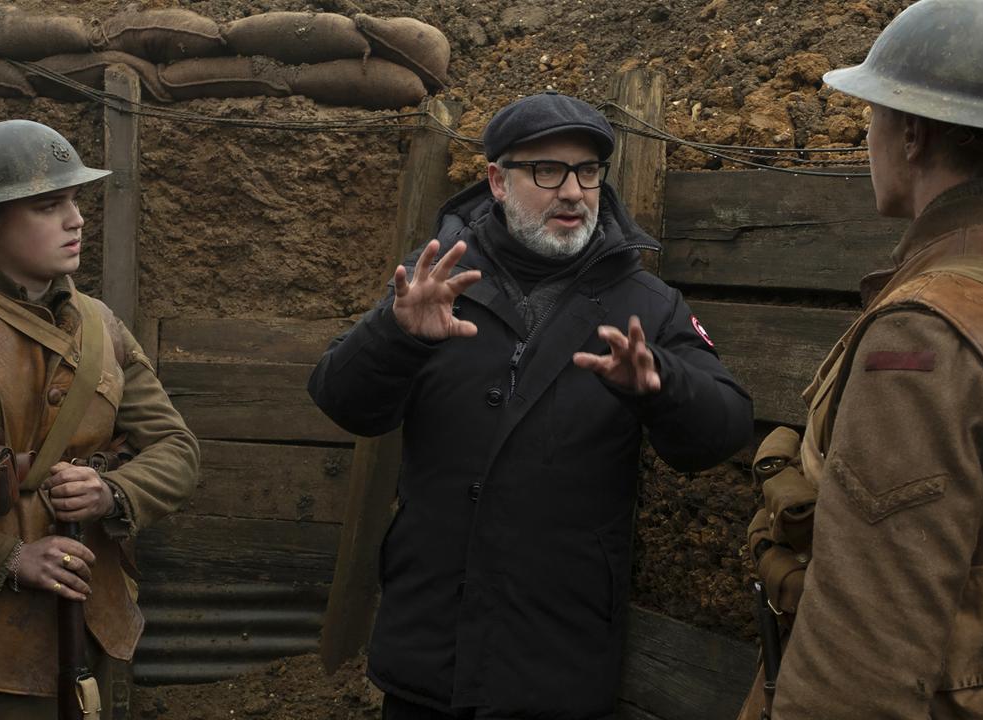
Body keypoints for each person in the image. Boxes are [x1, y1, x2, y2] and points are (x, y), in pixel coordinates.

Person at [737, 0, 983, 717]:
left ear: (912, 134)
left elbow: (858, 672)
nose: (868, 134)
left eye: (874, 112)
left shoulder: (925, 340)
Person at [309, 92, 753, 718]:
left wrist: (661, 385)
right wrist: (395, 336)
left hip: (556, 659)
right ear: (497, 179)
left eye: (588, 171)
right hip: (427, 649)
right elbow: (341, 400)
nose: (572, 191)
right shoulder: (436, 278)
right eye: (547, 170)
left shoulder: (647, 304)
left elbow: (724, 425)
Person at [0, 119, 199, 719]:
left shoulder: (99, 325)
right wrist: (5, 559)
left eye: (75, 200)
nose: (76, 220)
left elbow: (176, 450)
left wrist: (111, 492)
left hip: (94, 623)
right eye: (49, 205)